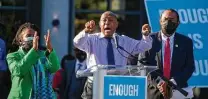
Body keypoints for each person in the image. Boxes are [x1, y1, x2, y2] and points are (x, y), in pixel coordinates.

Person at [73, 11, 152, 99]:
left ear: (116, 24)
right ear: (100, 24)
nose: (107, 22)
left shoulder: (123, 40)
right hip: (95, 84)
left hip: (116, 85)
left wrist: (145, 35)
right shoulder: (92, 39)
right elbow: (77, 42)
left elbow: (146, 45)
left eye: (110, 20)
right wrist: (86, 31)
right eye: (104, 20)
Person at [138, 9, 195, 99]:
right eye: (165, 19)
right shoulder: (149, 39)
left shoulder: (186, 42)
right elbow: (142, 65)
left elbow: (189, 67)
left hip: (178, 92)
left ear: (178, 23)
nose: (168, 22)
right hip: (154, 92)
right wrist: (159, 83)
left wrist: (172, 82)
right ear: (160, 21)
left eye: (172, 19)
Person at [6, 22, 60, 99]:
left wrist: (50, 49)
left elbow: (55, 68)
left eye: (34, 36)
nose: (32, 38)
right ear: (20, 39)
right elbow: (18, 70)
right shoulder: (13, 56)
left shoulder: (43, 55)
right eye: (28, 36)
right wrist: (33, 50)